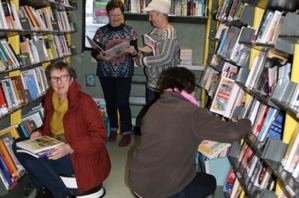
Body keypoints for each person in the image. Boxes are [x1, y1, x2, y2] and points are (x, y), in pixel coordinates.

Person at [128, 67, 252, 198]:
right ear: (190, 89)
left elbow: (170, 134)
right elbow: (232, 133)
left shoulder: (154, 108)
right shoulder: (192, 112)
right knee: (210, 182)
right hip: (162, 190)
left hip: (138, 182)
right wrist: (247, 121)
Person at [13, 61, 111, 198]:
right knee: (17, 144)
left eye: (63, 77)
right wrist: (40, 131)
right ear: (50, 81)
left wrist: (69, 147)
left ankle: (62, 194)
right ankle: (45, 188)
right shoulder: (50, 98)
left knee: (32, 162)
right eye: (54, 78)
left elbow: (100, 134)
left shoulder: (85, 101)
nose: (59, 82)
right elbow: (49, 125)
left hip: (79, 153)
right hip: (53, 144)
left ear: (71, 79)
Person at [91, 0, 138, 147]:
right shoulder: (101, 31)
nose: (115, 18)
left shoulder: (130, 31)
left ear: (122, 14)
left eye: (118, 15)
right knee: (110, 102)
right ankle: (113, 129)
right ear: (108, 15)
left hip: (124, 73)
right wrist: (100, 56)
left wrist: (133, 51)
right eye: (112, 15)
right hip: (106, 72)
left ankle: (126, 132)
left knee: (123, 103)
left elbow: (135, 53)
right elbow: (94, 51)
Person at [136, 0, 180, 106]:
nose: (149, 19)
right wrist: (140, 52)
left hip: (164, 87)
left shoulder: (169, 32)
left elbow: (165, 57)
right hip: (151, 84)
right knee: (152, 116)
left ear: (159, 14)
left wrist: (143, 60)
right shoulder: (155, 31)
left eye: (151, 15)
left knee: (162, 118)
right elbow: (151, 50)